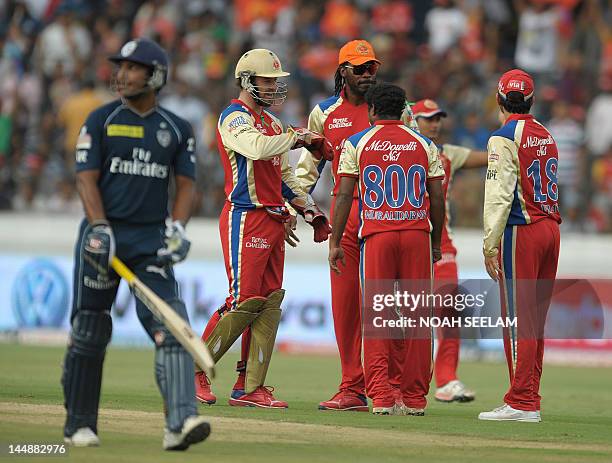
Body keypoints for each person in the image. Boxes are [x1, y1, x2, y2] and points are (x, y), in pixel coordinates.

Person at [63, 38, 210, 450]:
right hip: (101, 239)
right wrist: (99, 227)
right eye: (121, 67)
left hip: (149, 242)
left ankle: (180, 422)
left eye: (133, 68)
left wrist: (177, 228)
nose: (123, 75)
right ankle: (79, 424)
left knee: (172, 327)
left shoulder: (177, 129)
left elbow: (186, 185)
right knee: (91, 330)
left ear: (156, 76)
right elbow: (85, 178)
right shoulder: (100, 120)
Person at [194, 48, 332, 408]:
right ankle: (192, 371)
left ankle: (248, 387)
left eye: (275, 81)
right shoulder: (234, 118)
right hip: (245, 215)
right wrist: (299, 137)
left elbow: (285, 178)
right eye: (267, 81)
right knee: (243, 300)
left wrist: (311, 211)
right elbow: (255, 150)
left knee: (268, 304)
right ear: (246, 81)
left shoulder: (274, 124)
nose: (273, 87)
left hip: (274, 219)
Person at [329, 82, 445, 415]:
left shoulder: (358, 142)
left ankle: (381, 397)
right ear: (403, 111)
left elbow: (345, 194)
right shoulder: (424, 144)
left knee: (378, 315)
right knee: (418, 315)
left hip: (377, 236)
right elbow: (437, 196)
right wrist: (434, 241)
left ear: (371, 111)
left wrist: (336, 241)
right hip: (415, 234)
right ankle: (414, 398)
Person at [294, 39, 380, 412]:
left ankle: (389, 385)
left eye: (371, 68)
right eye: (359, 69)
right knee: (346, 303)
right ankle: (351, 386)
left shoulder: (391, 109)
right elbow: (307, 170)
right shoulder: (325, 113)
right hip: (345, 217)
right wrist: (297, 206)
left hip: (385, 216)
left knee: (385, 303)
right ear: (342, 72)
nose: (366, 75)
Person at [479, 69, 561, 422]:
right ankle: (530, 396)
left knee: (515, 318)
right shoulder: (546, 134)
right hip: (550, 228)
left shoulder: (503, 137)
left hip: (522, 229)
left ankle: (521, 401)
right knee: (534, 321)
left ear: (498, 99)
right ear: (531, 99)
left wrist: (489, 242)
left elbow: (499, 194)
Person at [408, 99, 488, 403]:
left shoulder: (448, 154)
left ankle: (447, 380)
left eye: (438, 118)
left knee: (450, 314)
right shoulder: (396, 150)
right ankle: (397, 381)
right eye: (428, 118)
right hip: (407, 240)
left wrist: (515, 146)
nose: (435, 123)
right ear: (412, 119)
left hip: (442, 246)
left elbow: (489, 157)